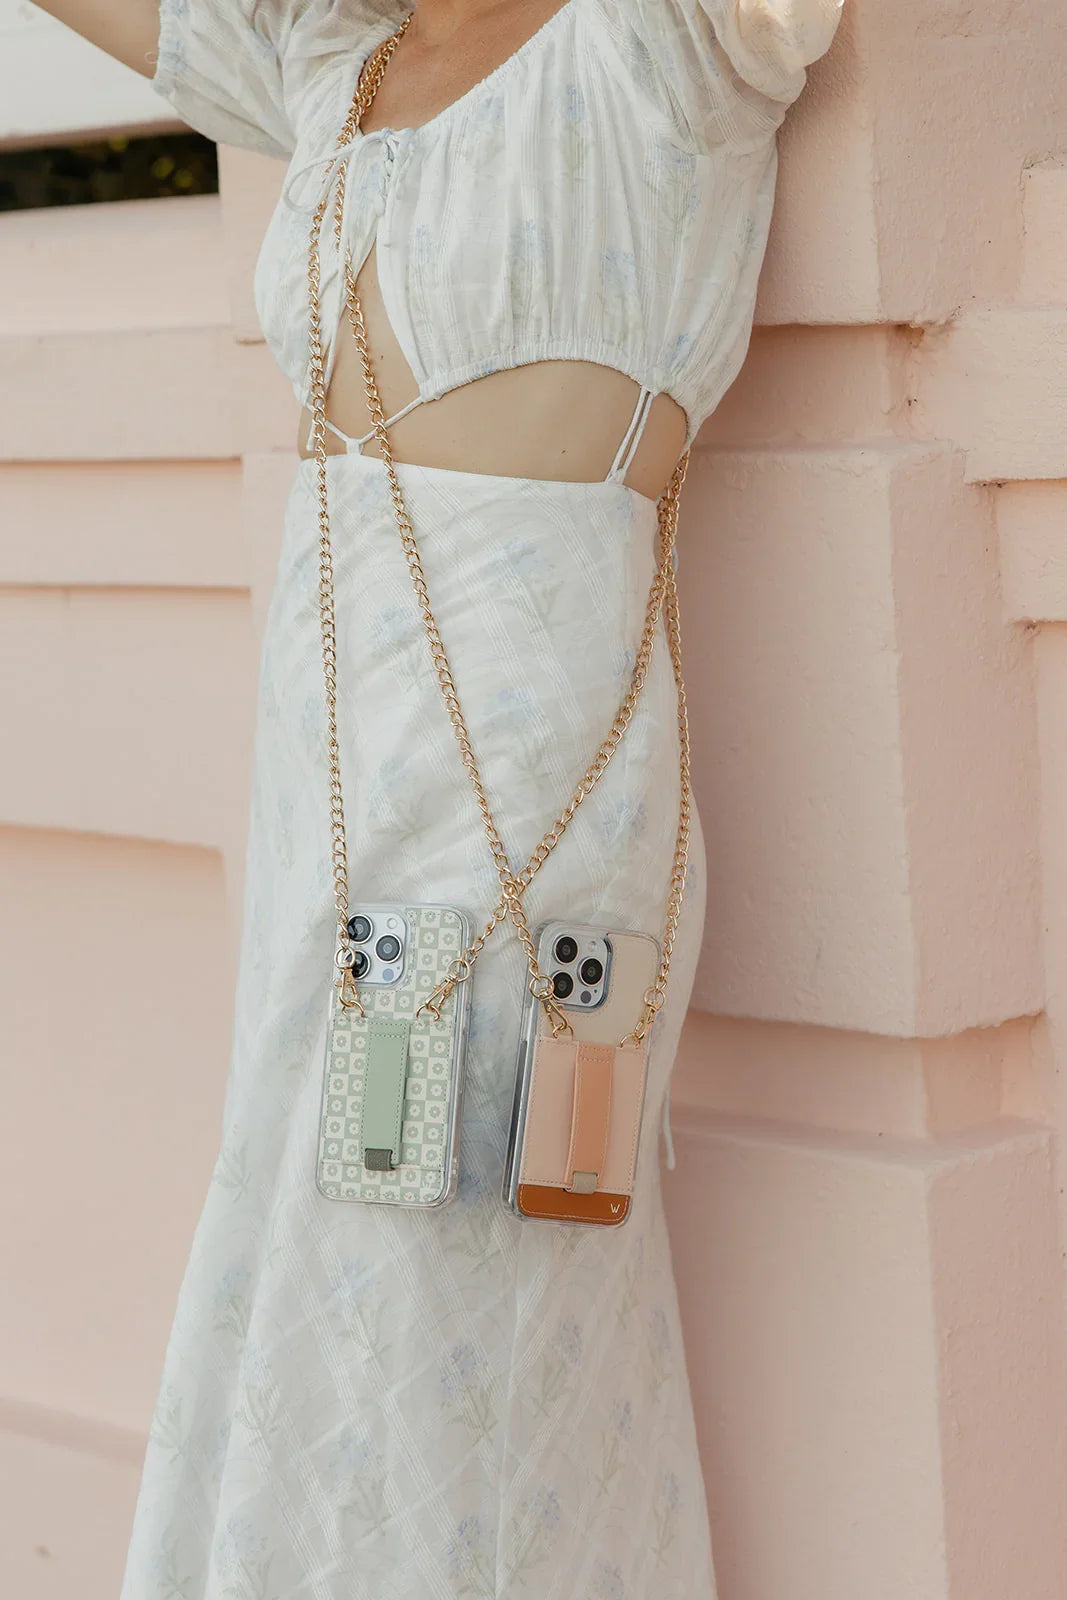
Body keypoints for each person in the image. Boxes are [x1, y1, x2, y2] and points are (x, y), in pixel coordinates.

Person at [34, 2, 844, 1595]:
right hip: (332, 781)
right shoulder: (328, 59)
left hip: (537, 787)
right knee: (312, 1269)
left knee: (464, 1283)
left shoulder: (666, 40)